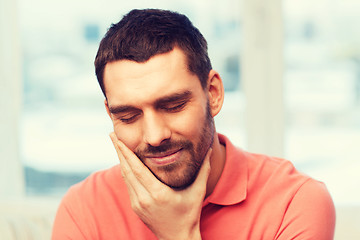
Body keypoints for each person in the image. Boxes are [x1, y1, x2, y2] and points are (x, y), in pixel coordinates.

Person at [52, 9, 336, 240]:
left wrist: (178, 234)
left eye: (173, 106)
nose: (154, 136)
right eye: (128, 116)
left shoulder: (295, 203)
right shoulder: (84, 207)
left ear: (212, 93)